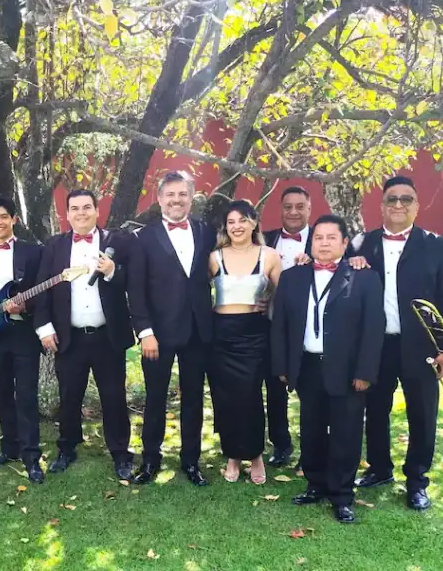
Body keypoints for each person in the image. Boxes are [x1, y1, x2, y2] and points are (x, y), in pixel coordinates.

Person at [349, 175, 443, 511]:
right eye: (392, 199)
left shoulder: (437, 245)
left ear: (417, 205)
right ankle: (380, 469)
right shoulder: (360, 244)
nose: (399, 205)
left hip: (421, 347)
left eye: (406, 199)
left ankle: (417, 481)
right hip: (375, 346)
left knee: (423, 415)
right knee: (375, 410)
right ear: (381, 205)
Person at [272, 215, 384, 523]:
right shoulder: (293, 277)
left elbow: (373, 329)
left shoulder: (364, 278)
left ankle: (342, 495)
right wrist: (283, 366)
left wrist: (365, 372)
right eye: (318, 237)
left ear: (344, 243)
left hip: (348, 370)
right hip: (307, 366)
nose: (323, 243)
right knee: (311, 429)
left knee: (346, 433)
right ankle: (315, 484)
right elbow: (280, 325)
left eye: (331, 237)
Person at [34, 190, 134, 481]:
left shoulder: (116, 242)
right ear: (67, 214)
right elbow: (43, 288)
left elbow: (133, 281)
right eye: (75, 208)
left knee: (114, 396)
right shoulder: (54, 247)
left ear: (96, 210)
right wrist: (44, 327)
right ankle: (67, 448)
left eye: (86, 207)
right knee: (69, 396)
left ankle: (120, 452)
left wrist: (113, 270)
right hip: (70, 336)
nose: (81, 213)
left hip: (107, 336)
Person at [128, 171, 216, 487]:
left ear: (191, 198)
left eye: (182, 194)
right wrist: (145, 331)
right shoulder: (144, 237)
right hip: (158, 334)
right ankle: (150, 460)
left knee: (194, 398)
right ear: (160, 198)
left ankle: (191, 462)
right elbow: (135, 289)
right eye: (170, 195)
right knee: (155, 398)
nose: (176, 200)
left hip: (197, 331)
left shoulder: (207, 232)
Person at [207, 200, 282, 485]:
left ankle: (255, 455)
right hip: (221, 335)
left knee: (250, 397)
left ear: (254, 222)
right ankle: (232, 455)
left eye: (242, 220)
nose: (236, 226)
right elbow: (194, 292)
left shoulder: (270, 256)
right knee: (225, 398)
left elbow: (287, 295)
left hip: (254, 334)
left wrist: (269, 301)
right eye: (231, 222)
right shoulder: (215, 257)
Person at [0, 195, 45, 483]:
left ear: (13, 219)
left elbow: (43, 291)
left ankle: (32, 456)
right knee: (1, 393)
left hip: (23, 333)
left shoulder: (32, 252)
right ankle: (9, 448)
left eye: (3, 216)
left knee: (26, 395)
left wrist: (26, 306)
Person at [261, 186, 314, 467]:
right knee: (274, 390)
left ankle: (312, 447)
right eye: (288, 206)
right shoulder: (265, 239)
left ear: (309, 209)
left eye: (299, 206)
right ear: (280, 209)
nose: (293, 212)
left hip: (308, 332)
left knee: (309, 391)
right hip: (269, 327)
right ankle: (280, 444)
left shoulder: (323, 240)